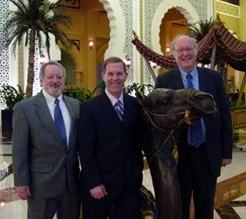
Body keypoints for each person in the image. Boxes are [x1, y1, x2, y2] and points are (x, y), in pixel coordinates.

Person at [154, 34, 233, 219]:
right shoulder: (164, 81)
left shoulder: (213, 78)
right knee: (178, 207)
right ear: (173, 54)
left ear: (196, 52)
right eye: (180, 50)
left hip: (207, 154)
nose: (185, 54)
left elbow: (224, 115)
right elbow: (158, 120)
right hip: (178, 157)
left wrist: (226, 152)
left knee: (205, 208)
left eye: (189, 49)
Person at [12, 61, 81, 219]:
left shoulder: (75, 106)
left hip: (70, 186)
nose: (55, 81)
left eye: (59, 77)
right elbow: (19, 150)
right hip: (41, 185)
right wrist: (21, 182)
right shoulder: (25, 108)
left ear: (64, 81)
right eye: (50, 76)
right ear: (41, 80)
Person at [78, 56, 144, 219]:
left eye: (119, 74)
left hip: (129, 184)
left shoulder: (135, 105)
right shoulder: (89, 108)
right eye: (111, 74)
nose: (115, 78)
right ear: (103, 76)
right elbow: (86, 151)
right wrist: (94, 183)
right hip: (100, 185)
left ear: (125, 76)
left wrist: (136, 172)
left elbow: (139, 142)